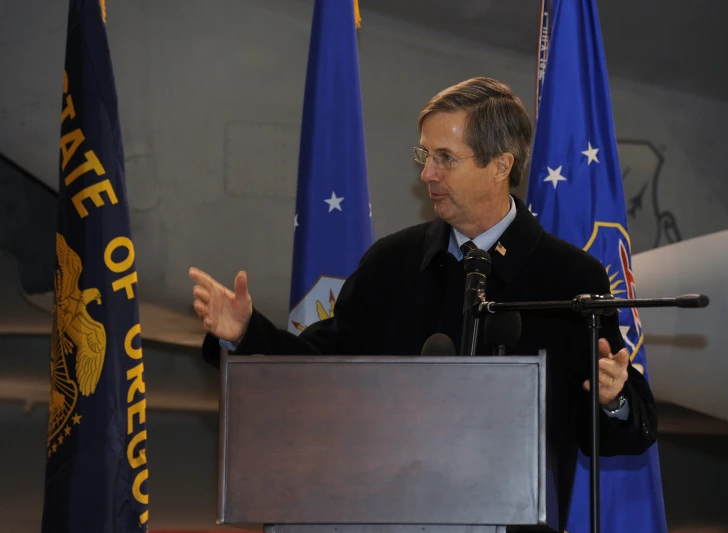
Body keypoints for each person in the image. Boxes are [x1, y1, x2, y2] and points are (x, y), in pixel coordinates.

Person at [189, 77, 657, 525]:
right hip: (386, 514)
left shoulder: (571, 277)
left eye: (445, 158)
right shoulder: (393, 262)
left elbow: (627, 431)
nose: (427, 173)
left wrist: (612, 398)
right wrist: (245, 334)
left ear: (500, 166)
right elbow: (318, 366)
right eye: (425, 154)